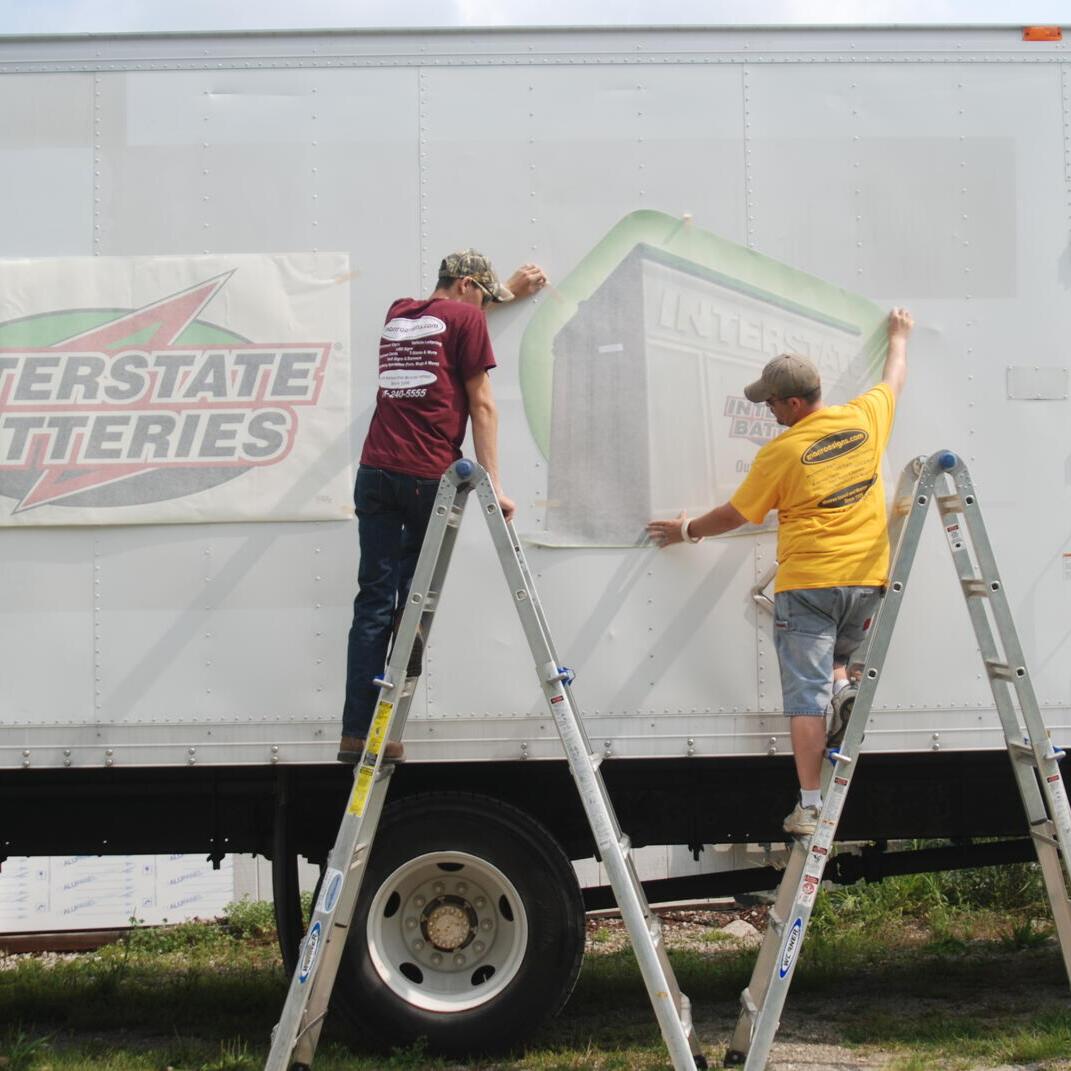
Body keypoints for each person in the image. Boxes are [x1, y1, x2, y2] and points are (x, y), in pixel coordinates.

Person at [647, 308, 915, 837]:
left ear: (794, 403)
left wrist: (686, 530)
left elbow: (737, 514)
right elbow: (895, 378)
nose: (767, 409)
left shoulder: (782, 451)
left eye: (770, 401)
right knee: (838, 661)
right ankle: (844, 689)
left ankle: (810, 805)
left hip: (810, 586)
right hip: (867, 583)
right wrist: (899, 337)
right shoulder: (865, 417)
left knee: (804, 699)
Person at [340, 251, 548, 764]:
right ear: (467, 284)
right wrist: (494, 483)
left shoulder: (399, 313)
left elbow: (447, 323)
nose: (484, 306)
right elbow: (483, 404)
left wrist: (501, 295)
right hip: (423, 476)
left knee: (373, 600)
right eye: (484, 294)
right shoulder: (467, 318)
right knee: (412, 602)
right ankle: (392, 700)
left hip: (374, 472)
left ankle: (357, 732)